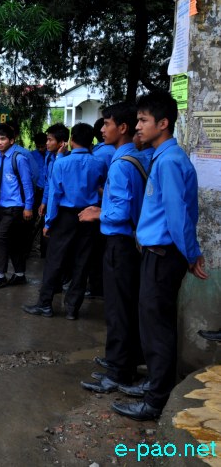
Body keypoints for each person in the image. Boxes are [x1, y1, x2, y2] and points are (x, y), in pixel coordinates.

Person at [111, 91, 207, 422]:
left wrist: (192, 254)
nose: (137, 127)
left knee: (157, 328)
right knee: (152, 324)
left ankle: (155, 401)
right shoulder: (162, 157)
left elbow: (178, 216)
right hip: (157, 252)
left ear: (163, 124)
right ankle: (155, 382)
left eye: (143, 121)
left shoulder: (169, 161)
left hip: (164, 254)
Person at [77, 102, 150, 393]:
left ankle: (119, 372)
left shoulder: (121, 164)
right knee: (126, 306)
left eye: (106, 124)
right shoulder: (139, 157)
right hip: (132, 242)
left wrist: (98, 213)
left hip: (120, 243)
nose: (102, 129)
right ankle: (121, 361)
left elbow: (119, 213)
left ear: (122, 128)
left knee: (119, 309)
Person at [22, 123, 106, 319]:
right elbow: (102, 189)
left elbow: (55, 196)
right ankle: (72, 309)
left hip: (65, 216)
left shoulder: (61, 163)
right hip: (89, 216)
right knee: (81, 262)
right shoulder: (99, 163)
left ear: (71, 140)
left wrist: (48, 223)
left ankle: (45, 304)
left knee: (55, 260)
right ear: (91, 141)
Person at [0, 123, 34, 290]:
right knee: (13, 241)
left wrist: (28, 207)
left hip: (16, 207)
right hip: (1, 206)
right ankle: (19, 274)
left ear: (12, 140)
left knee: (0, 238)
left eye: (3, 139)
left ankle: (0, 275)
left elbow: (27, 184)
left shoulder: (19, 158)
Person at [37, 123, 69, 259]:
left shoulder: (67, 160)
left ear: (61, 143)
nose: (47, 143)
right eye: (47, 139)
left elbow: (57, 189)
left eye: (50, 140)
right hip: (50, 203)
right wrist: (44, 202)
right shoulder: (49, 157)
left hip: (61, 207)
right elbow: (48, 183)